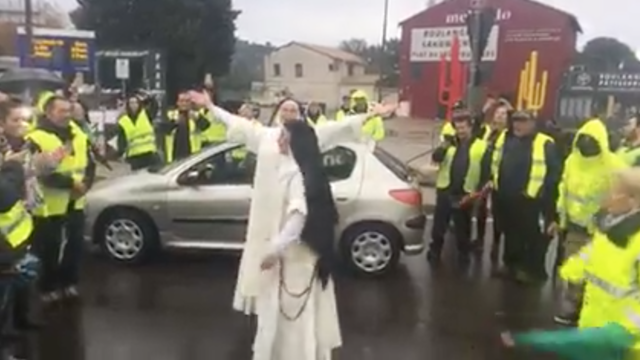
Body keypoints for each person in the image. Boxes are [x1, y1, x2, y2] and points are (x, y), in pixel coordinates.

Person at [188, 90, 394, 360]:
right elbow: (236, 124)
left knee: (292, 307)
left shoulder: (305, 147)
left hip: (291, 243)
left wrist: (371, 114)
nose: (287, 115)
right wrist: (211, 107)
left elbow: (340, 128)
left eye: (293, 110)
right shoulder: (266, 136)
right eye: (283, 110)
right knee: (278, 304)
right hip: (270, 221)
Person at [503, 168, 640, 359]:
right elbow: (591, 255)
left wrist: (626, 332)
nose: (607, 196)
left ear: (633, 201)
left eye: (615, 191)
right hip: (595, 327)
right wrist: (571, 270)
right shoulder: (611, 230)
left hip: (621, 341)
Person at [553, 118, 627, 326]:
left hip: (604, 231)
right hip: (576, 227)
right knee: (575, 267)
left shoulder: (613, 164)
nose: (587, 143)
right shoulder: (572, 161)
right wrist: (562, 219)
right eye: (583, 138)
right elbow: (563, 190)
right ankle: (573, 307)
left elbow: (623, 196)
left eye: (591, 140)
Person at [27, 96, 92, 303]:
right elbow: (39, 173)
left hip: (76, 202)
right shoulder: (37, 138)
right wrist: (72, 184)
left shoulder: (79, 135)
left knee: (74, 246)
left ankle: (69, 282)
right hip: (49, 206)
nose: (66, 114)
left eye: (68, 110)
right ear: (49, 113)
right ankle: (47, 287)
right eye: (61, 111)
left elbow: (89, 165)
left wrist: (85, 185)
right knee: (49, 249)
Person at [490, 110, 561, 283]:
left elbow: (554, 175)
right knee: (511, 234)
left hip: (533, 201)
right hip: (507, 198)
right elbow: (495, 162)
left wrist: (551, 209)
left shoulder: (545, 143)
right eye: (515, 121)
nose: (517, 125)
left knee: (533, 237)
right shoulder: (506, 139)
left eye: (523, 121)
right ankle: (511, 266)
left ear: (533, 123)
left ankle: (533, 272)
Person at [428, 109, 487, 265]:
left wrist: (479, 192)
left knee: (463, 228)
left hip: (466, 191)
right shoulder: (449, 144)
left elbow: (486, 171)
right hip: (446, 189)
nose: (460, 131)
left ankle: (463, 255)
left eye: (463, 127)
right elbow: (436, 159)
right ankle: (435, 252)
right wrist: (444, 146)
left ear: (470, 127)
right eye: (458, 128)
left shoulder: (481, 146)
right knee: (439, 226)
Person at [474, 101, 509, 261]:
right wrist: (484, 109)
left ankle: (496, 242)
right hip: (483, 174)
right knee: (481, 208)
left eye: (503, 114)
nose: (499, 116)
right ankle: (480, 240)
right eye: (497, 113)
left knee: (497, 211)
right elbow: (475, 127)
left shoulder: (509, 135)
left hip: (498, 178)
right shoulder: (487, 131)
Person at [161, 91, 210, 163]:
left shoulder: (196, 114)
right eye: (182, 101)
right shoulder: (170, 114)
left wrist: (197, 119)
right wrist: (174, 122)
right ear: (177, 103)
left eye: (187, 101)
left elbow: (206, 126)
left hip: (193, 154)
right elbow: (164, 129)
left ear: (191, 103)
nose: (184, 104)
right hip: (174, 154)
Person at [115, 95, 160, 170]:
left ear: (139, 104)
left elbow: (155, 106)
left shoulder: (146, 114)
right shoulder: (123, 121)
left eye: (135, 103)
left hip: (150, 154)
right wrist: (120, 153)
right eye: (131, 103)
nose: (133, 105)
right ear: (128, 105)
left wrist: (148, 98)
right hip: (135, 157)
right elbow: (121, 140)